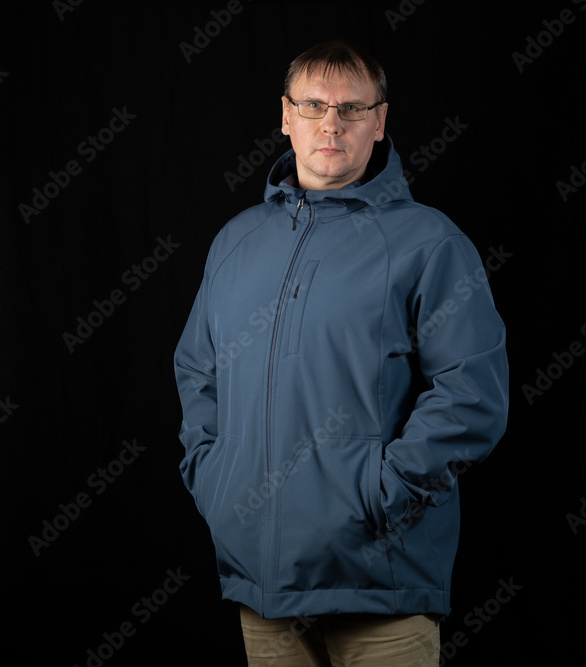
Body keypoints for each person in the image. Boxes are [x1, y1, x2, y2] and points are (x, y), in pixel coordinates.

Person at [174, 39, 509, 666]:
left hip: (380, 579)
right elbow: (199, 371)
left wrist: (381, 498)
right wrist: (215, 480)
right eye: (314, 106)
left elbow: (472, 396)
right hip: (262, 583)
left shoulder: (430, 243)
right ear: (285, 116)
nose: (331, 123)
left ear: (379, 123)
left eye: (352, 110)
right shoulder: (236, 242)